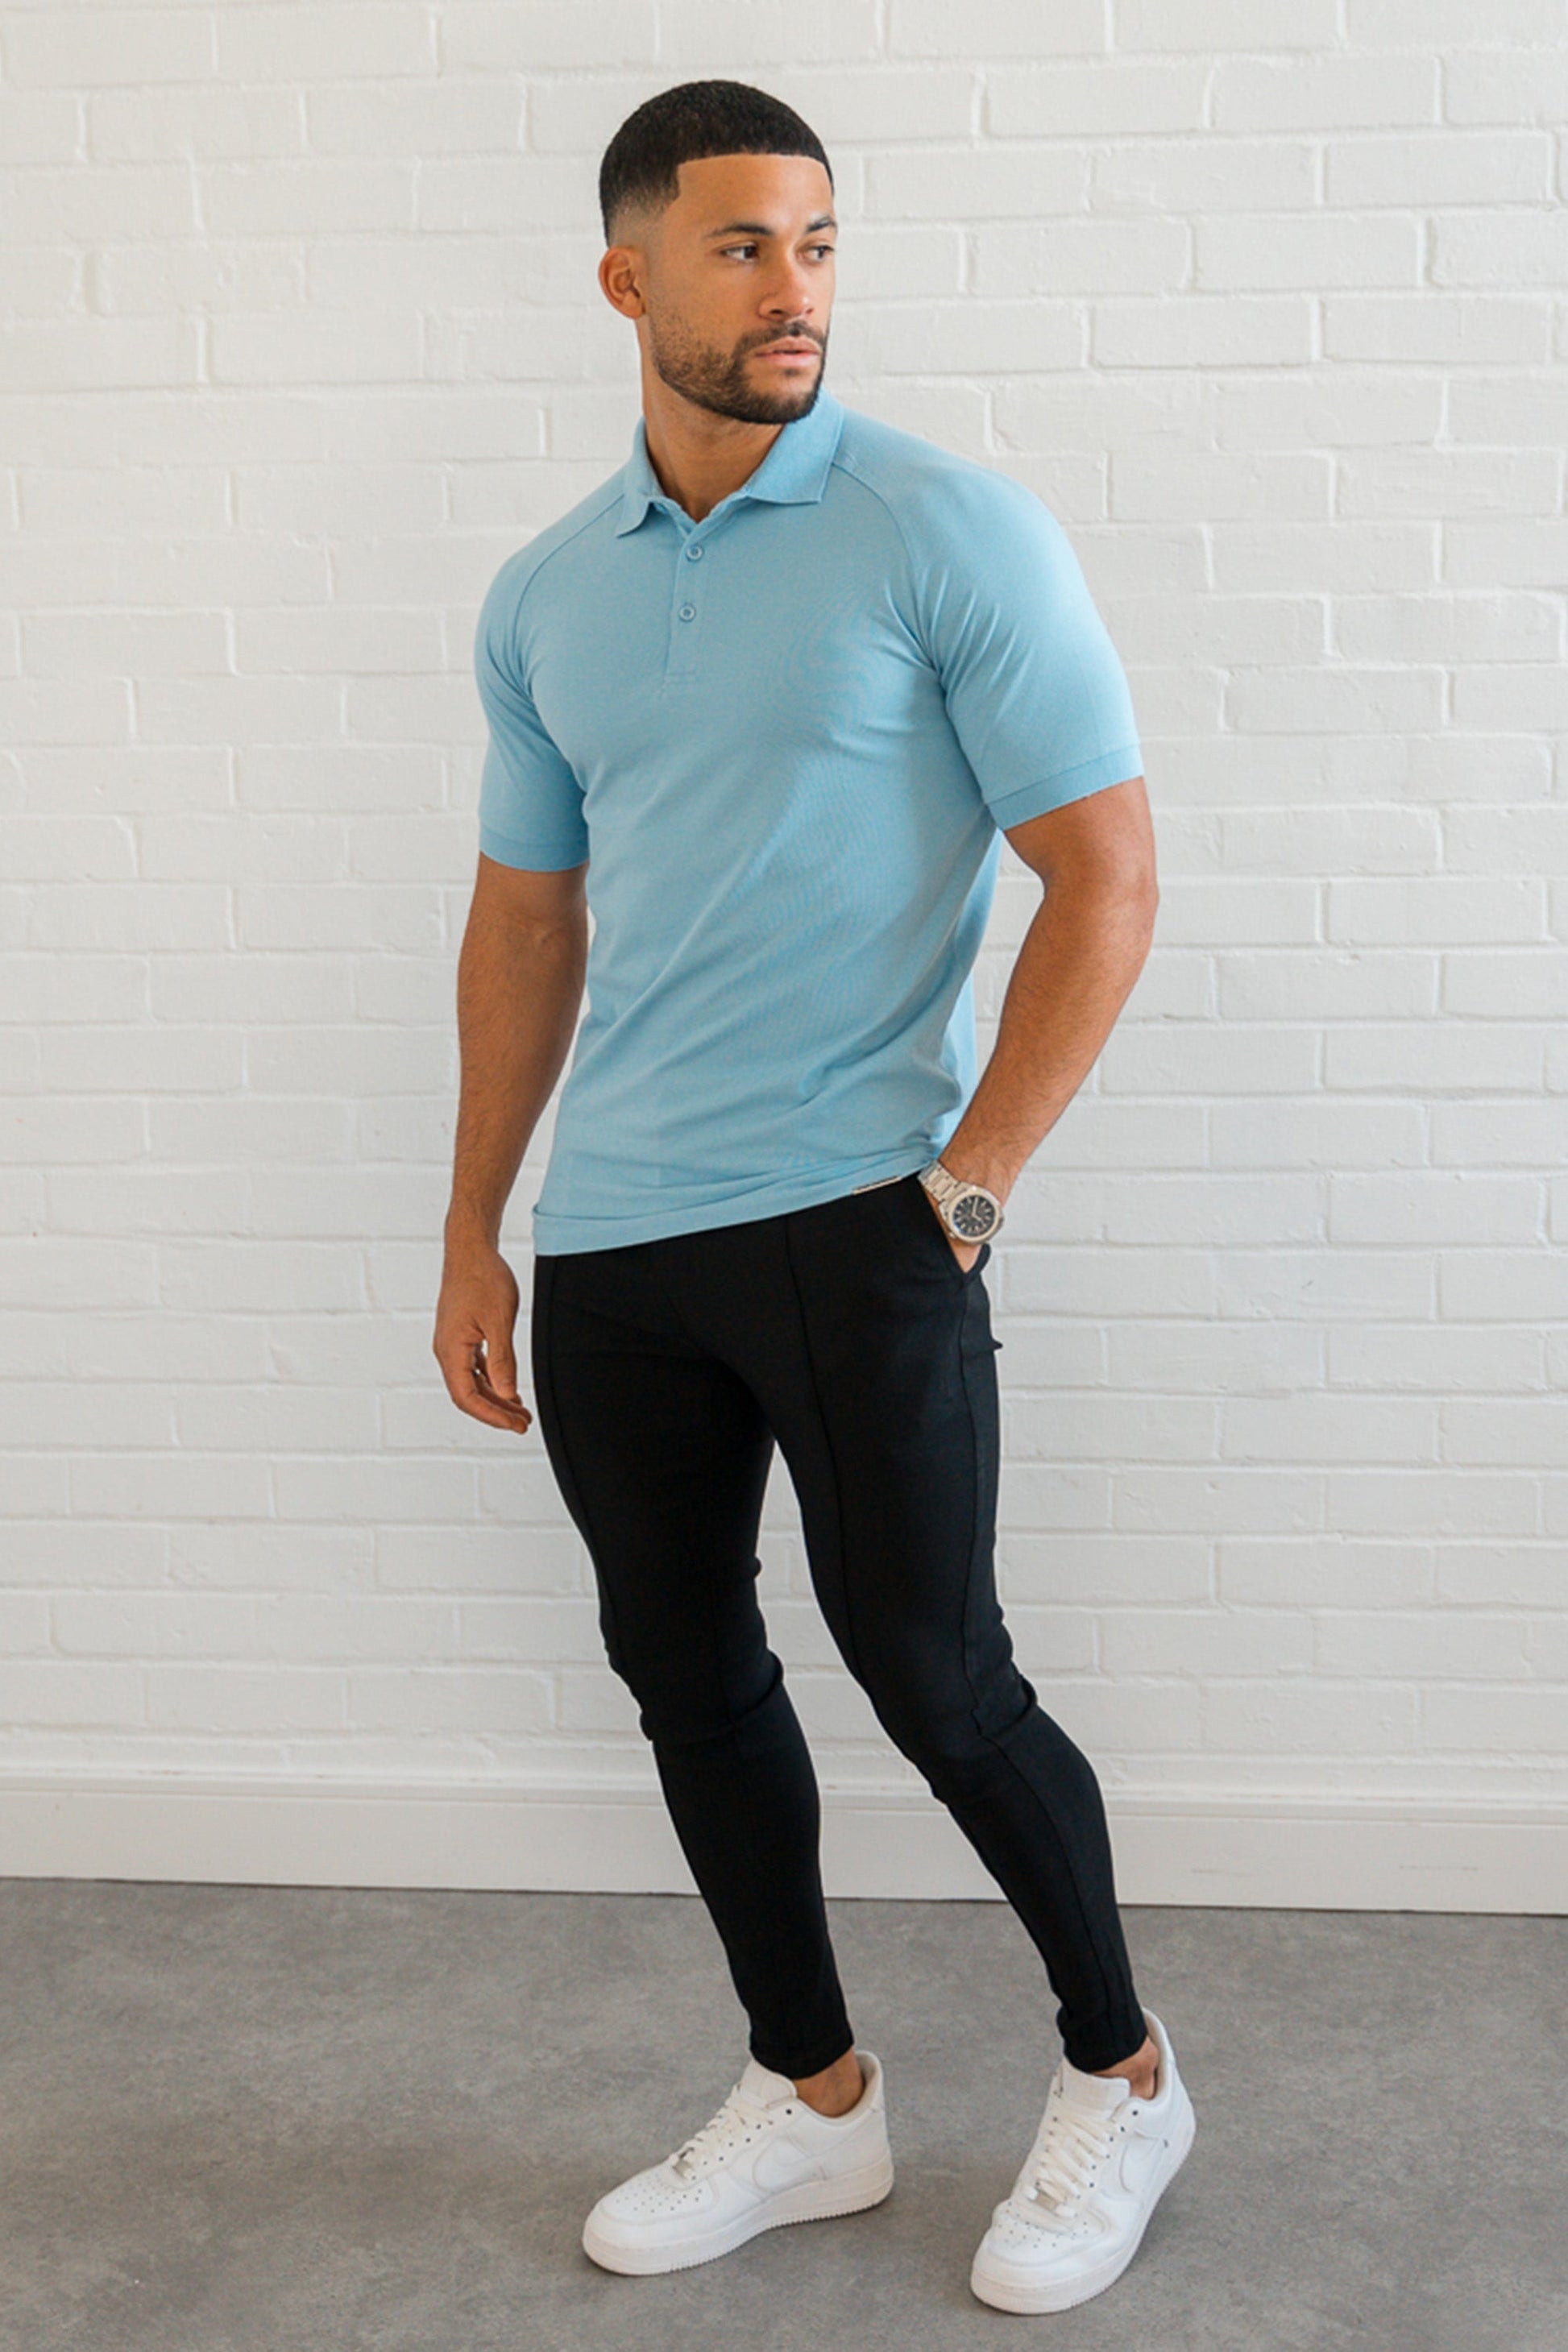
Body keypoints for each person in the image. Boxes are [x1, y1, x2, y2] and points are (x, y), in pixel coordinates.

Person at [433, 77, 1196, 2317]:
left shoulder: (944, 530)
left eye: (822, 244)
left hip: (865, 1213)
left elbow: (1105, 874)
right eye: (747, 245)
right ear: (627, 276)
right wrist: (475, 1222)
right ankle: (812, 2094)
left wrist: (971, 1187)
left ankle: (1124, 2075)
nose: (798, 289)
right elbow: (525, 923)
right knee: (685, 1676)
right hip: (617, 1245)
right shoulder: (548, 591)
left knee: (938, 1682)